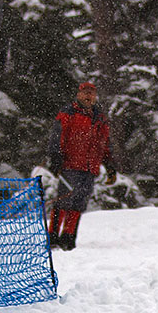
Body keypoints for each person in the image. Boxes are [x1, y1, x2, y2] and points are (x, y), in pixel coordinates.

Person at [46, 82, 116, 251]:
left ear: (95, 96)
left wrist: (111, 166)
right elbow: (57, 136)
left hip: (90, 167)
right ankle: (53, 237)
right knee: (64, 200)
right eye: (85, 92)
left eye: (91, 93)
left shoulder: (99, 117)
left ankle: (68, 237)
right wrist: (55, 158)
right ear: (78, 94)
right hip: (70, 164)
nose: (88, 96)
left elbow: (105, 144)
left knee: (79, 202)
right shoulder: (68, 112)